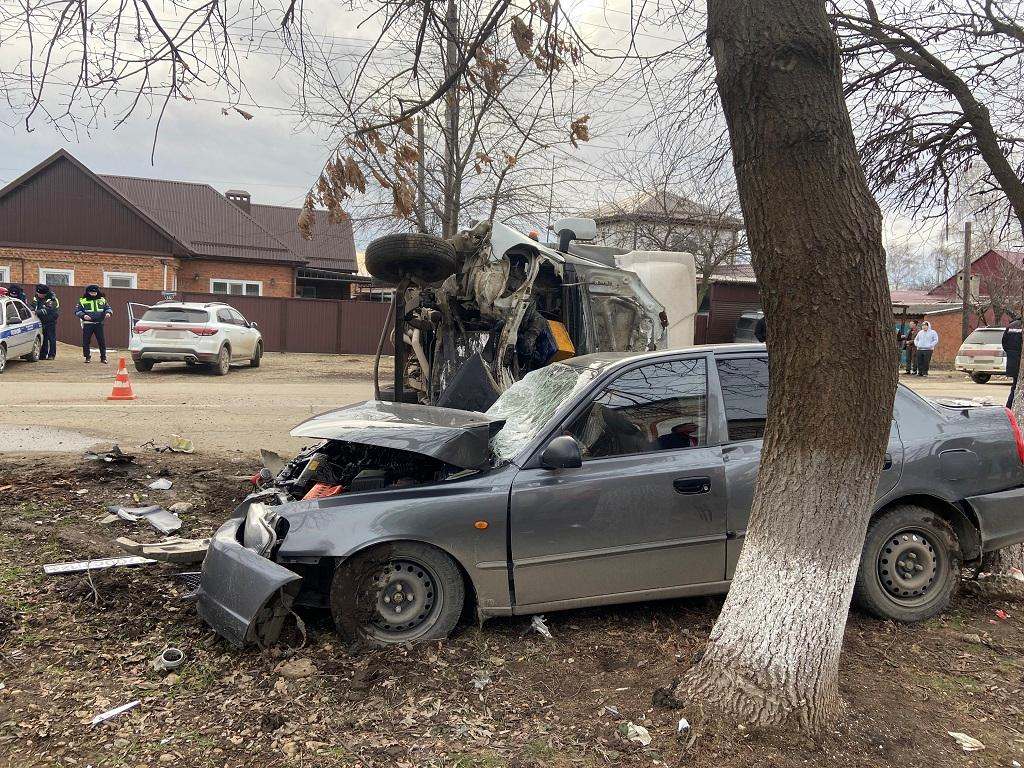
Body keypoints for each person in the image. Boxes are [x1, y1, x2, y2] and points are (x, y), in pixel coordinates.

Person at [75, 284, 112, 363]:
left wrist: (108, 313)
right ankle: (87, 357)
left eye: (94, 293)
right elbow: (77, 311)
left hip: (99, 323)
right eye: (91, 293)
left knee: (101, 341)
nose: (93, 294)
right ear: (88, 292)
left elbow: (108, 308)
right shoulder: (82, 300)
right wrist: (84, 315)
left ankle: (103, 357)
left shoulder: (102, 300)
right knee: (86, 341)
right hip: (88, 323)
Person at [32, 284, 60, 360]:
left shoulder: (52, 299)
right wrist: (32, 310)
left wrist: (37, 312)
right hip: (40, 321)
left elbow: (49, 310)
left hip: (50, 321)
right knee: (43, 338)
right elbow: (33, 305)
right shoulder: (36, 297)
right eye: (38, 293)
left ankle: (51, 355)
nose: (39, 295)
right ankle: (42, 354)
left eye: (41, 294)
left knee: (51, 338)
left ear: (45, 293)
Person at [1003, 318, 1022, 408]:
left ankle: (1009, 407)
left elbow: (1004, 344)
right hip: (1020, 363)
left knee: (1015, 387)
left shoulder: (1011, 326)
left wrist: (1012, 355)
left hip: (1013, 362)